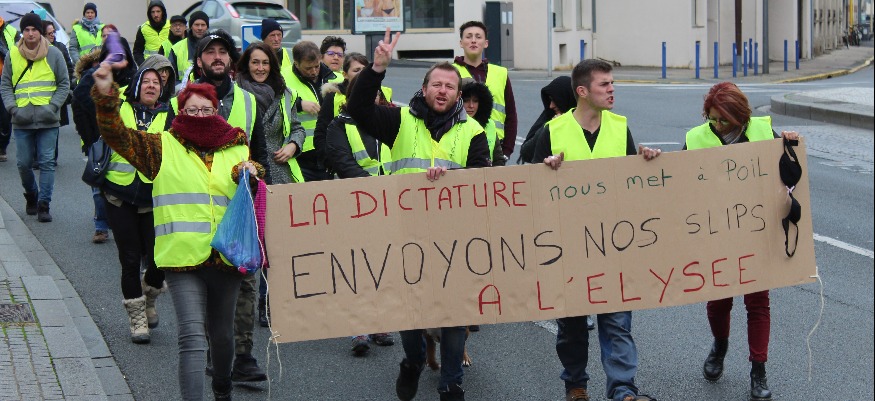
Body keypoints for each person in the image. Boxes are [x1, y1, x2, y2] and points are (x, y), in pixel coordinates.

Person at [92, 58, 263, 400]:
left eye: (206, 110)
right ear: (180, 113)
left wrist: (251, 172)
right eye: (192, 110)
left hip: (227, 256)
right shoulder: (161, 147)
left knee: (222, 335)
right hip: (182, 258)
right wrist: (106, 95)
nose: (200, 116)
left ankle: (223, 387)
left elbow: (251, 185)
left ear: (217, 111)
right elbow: (116, 135)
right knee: (192, 337)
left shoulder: (237, 146)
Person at [348, 29, 490, 401]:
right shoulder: (399, 121)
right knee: (411, 311)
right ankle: (412, 362)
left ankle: (451, 382)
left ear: (459, 95)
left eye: (450, 86)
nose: (443, 91)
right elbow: (358, 109)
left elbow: (482, 179)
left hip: (454, 239)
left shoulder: (473, 131)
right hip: (405, 235)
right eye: (436, 85)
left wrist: (452, 180)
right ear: (424, 89)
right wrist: (376, 69)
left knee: (454, 313)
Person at [530, 59, 660, 401]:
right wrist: (545, 170)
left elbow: (632, 184)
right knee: (572, 327)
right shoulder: (552, 132)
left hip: (613, 246)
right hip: (568, 247)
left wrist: (645, 162)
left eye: (612, 83)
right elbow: (531, 191)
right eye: (605, 84)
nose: (612, 89)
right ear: (583, 91)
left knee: (617, 323)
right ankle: (575, 385)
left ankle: (623, 390)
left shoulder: (619, 127)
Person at [687, 82, 799, 401]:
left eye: (724, 120)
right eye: (712, 119)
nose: (717, 125)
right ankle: (720, 346)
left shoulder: (763, 132)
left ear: (741, 117)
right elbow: (678, 186)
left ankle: (758, 370)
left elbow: (789, 175)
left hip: (755, 232)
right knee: (719, 302)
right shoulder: (695, 139)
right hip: (716, 234)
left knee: (758, 303)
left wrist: (789, 144)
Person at [177, 30, 266, 383]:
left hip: (238, 209)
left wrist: (256, 177)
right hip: (196, 213)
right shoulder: (182, 100)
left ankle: (241, 356)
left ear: (231, 59)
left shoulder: (249, 100)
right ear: (199, 60)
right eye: (210, 51)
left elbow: (259, 153)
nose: (217, 56)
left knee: (245, 281)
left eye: (223, 51)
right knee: (204, 288)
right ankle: (213, 353)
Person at [322, 61, 396, 354]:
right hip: (355, 205)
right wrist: (374, 188)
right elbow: (343, 162)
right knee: (357, 267)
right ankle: (359, 328)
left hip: (390, 205)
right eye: (366, 93)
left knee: (384, 265)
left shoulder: (391, 122)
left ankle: (380, 323)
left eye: (375, 93)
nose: (372, 97)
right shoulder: (338, 126)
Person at [235, 41, 305, 328]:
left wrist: (293, 145)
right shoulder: (235, 93)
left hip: (278, 176)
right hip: (244, 175)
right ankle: (242, 303)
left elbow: (297, 127)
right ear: (246, 65)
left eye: (265, 62)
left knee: (275, 245)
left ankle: (269, 302)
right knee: (249, 242)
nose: (261, 68)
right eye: (255, 62)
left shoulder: (284, 93)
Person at [105, 62, 174, 344]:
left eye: (157, 82)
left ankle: (150, 294)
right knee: (130, 259)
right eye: (146, 81)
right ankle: (137, 319)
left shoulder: (170, 115)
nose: (151, 86)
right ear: (136, 85)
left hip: (154, 197)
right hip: (119, 194)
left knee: (159, 260)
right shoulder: (120, 107)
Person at [0, 13, 70, 222]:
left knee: (47, 163)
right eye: (27, 30)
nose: (30, 34)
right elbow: (5, 84)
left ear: (40, 32)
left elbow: (64, 83)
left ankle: (43, 204)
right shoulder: (13, 54)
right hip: (21, 119)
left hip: (48, 119)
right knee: (23, 164)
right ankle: (31, 194)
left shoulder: (54, 53)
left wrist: (53, 107)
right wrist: (13, 108)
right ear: (22, 32)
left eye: (34, 30)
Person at [314, 52, 392, 177]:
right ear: (345, 74)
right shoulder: (333, 97)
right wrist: (332, 164)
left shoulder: (383, 94)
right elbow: (321, 134)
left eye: (364, 70)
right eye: (356, 70)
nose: (362, 74)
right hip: (348, 171)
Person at [453, 21, 518, 163]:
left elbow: (511, 114)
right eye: (468, 36)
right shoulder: (451, 72)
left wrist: (507, 150)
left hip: (495, 147)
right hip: (460, 145)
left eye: (478, 37)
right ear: (461, 43)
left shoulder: (500, 73)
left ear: (486, 43)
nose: (473, 40)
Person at [286, 40, 338, 181]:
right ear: (296, 63)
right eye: (308, 68)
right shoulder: (283, 78)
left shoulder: (335, 78)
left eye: (317, 66)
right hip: (301, 154)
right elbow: (274, 105)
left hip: (332, 150)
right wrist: (299, 104)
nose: (314, 71)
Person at [518, 75, 576, 164]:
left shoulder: (585, 122)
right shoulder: (549, 116)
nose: (551, 106)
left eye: (555, 100)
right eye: (550, 100)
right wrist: (549, 126)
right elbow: (526, 152)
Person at [460, 80, 505, 166]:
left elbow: (498, 159)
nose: (471, 105)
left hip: (486, 174)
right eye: (466, 100)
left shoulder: (489, 125)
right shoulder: (451, 126)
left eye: (475, 101)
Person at [42, 21, 74, 129]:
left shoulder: (60, 47)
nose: (52, 35)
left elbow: (69, 68)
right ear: (43, 34)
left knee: (55, 125)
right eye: (49, 33)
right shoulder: (38, 50)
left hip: (59, 92)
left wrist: (67, 86)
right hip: (43, 93)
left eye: (53, 32)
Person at [168, 11, 209, 84]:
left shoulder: (214, 46)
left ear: (207, 27)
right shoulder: (177, 48)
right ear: (191, 26)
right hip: (183, 89)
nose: (200, 28)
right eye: (196, 25)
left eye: (203, 25)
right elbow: (171, 76)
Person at [0, 16, 19, 162]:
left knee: (4, 115)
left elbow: (16, 54)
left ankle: (2, 147)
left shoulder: (11, 31)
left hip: (5, 78)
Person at [133, 0, 170, 65]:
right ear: (149, 14)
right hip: (150, 65)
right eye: (153, 12)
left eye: (158, 11)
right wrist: (144, 65)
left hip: (168, 64)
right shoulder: (143, 28)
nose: (156, 15)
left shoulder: (170, 26)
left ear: (163, 12)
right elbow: (137, 52)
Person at [259, 18, 294, 85]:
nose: (276, 39)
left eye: (279, 35)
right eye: (272, 35)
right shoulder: (257, 56)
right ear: (264, 38)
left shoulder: (291, 54)